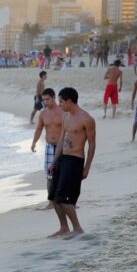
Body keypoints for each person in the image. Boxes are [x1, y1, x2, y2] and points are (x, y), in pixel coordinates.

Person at [48, 87, 96, 238]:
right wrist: (54, 161)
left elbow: (92, 144)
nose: (59, 104)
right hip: (62, 159)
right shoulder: (65, 116)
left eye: (61, 101)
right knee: (53, 197)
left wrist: (87, 167)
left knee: (64, 198)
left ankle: (77, 228)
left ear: (69, 101)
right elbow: (62, 140)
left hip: (75, 160)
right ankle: (64, 227)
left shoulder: (87, 119)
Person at [30, 88, 63, 209]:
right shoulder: (43, 113)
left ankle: (69, 201)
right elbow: (39, 129)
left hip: (63, 146)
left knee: (65, 174)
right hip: (49, 146)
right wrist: (34, 142)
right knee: (49, 175)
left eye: (47, 99)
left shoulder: (63, 111)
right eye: (43, 100)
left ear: (54, 97)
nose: (45, 102)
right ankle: (51, 202)